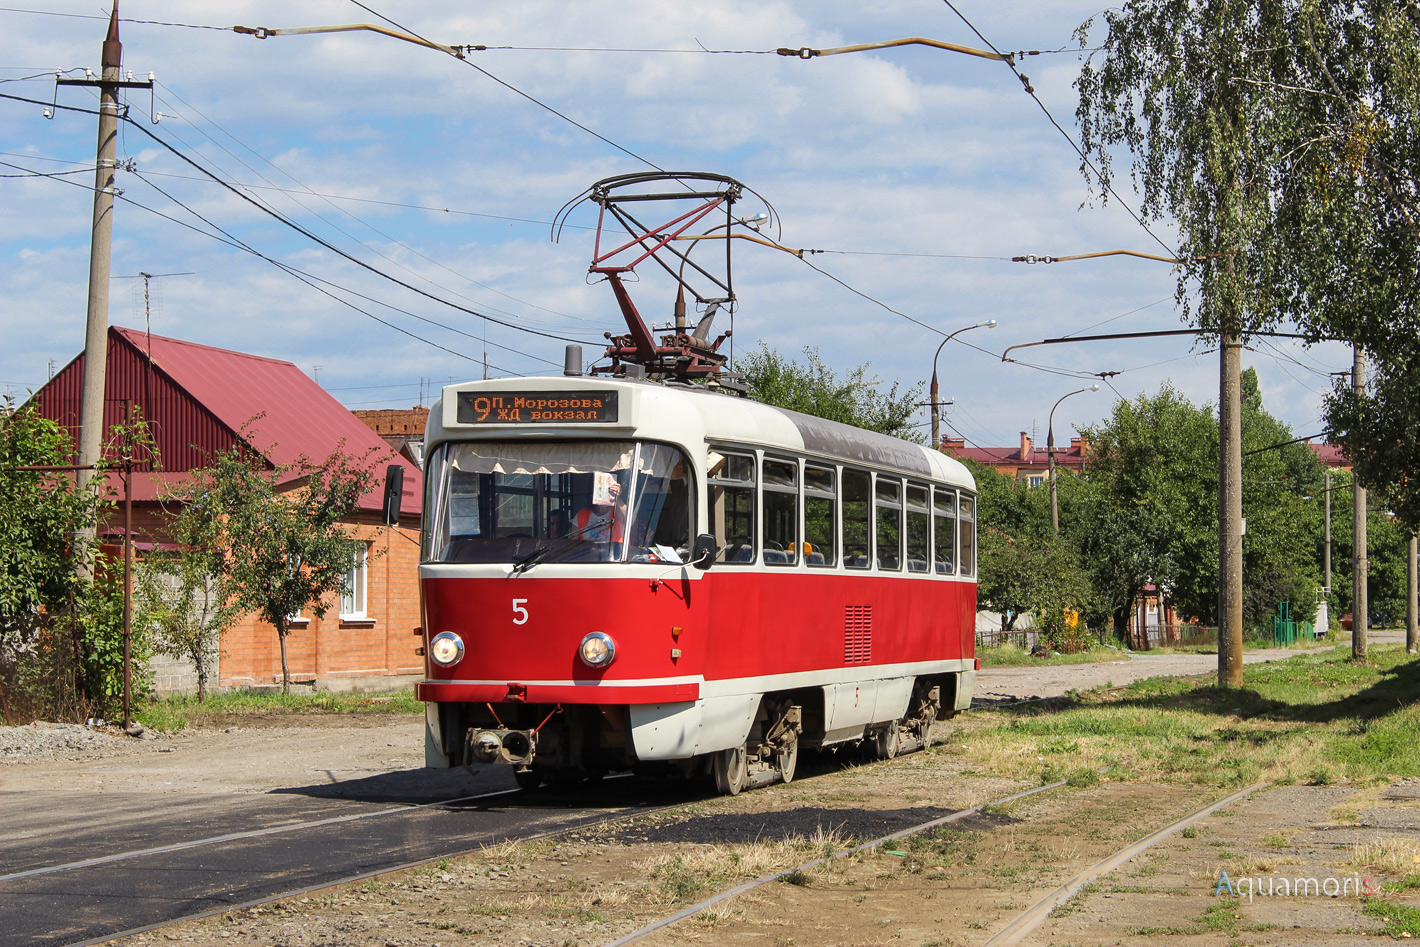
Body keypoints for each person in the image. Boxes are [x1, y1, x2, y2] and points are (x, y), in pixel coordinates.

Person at [575, 479, 625, 544]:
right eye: (599, 490)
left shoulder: (618, 511)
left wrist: (617, 497)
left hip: (614, 553)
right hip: (587, 553)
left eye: (608, 491)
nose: (603, 493)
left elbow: (627, 520)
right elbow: (573, 542)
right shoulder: (582, 514)